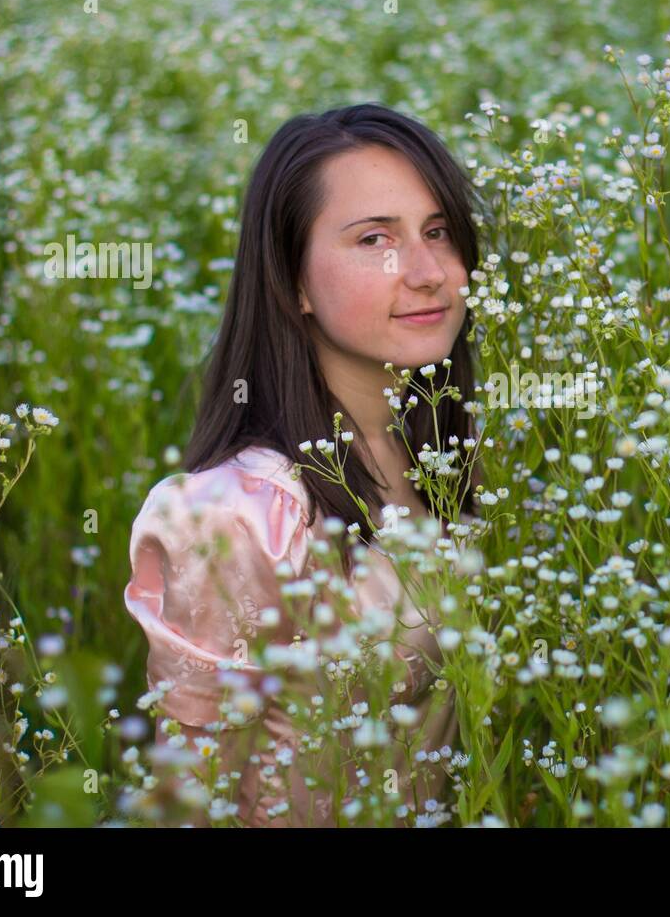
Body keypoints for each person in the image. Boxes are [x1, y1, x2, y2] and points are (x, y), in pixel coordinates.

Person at [123, 103, 485, 826]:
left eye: (439, 231)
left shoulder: (453, 461)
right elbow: (190, 806)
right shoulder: (229, 517)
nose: (426, 273)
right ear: (293, 284)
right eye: (375, 239)